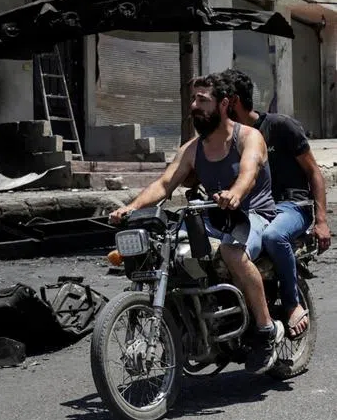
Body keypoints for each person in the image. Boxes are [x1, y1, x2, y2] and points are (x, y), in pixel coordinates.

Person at [110, 72, 284, 372]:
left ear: (224, 104)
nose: (194, 106)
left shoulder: (247, 137)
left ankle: (266, 329)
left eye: (203, 100)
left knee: (231, 253)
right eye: (193, 99)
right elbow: (164, 184)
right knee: (165, 248)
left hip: (253, 215)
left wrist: (235, 194)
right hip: (211, 217)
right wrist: (131, 208)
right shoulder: (193, 148)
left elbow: (248, 172)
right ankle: (191, 325)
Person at [222, 68, 331, 338]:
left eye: (220, 99)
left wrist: (321, 220)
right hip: (256, 209)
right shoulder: (230, 137)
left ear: (233, 101)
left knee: (273, 235)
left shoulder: (281, 127)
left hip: (293, 205)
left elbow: (314, 172)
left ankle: (292, 303)